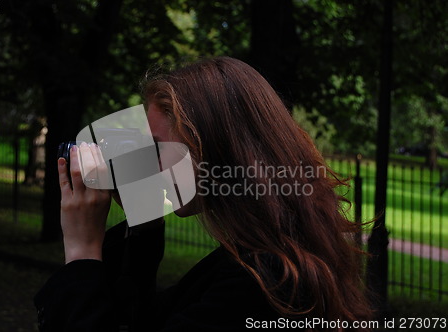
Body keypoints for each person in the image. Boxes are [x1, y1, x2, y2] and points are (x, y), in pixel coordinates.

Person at [35, 57, 372, 331]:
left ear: (212, 151)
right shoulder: (269, 258)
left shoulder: (264, 282)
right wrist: (145, 228)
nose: (146, 162)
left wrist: (82, 252)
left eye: (157, 147)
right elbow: (146, 320)